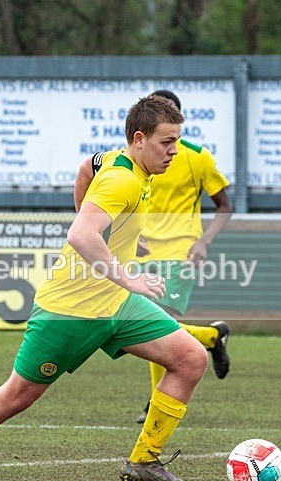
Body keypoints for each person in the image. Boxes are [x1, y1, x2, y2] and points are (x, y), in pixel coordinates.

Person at [0, 95, 208, 481]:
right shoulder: (122, 179)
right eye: (166, 142)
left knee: (191, 358)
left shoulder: (116, 161)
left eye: (177, 140)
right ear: (139, 139)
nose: (174, 151)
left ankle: (145, 460)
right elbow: (80, 234)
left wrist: (110, 241)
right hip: (69, 311)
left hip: (115, 306)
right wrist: (128, 277)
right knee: (15, 396)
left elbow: (86, 170)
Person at [74, 90, 234, 424]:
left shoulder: (197, 157)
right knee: (155, 326)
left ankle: (154, 404)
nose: (169, 148)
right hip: (139, 254)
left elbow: (224, 204)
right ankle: (211, 336)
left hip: (180, 252)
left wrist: (204, 241)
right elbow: (87, 171)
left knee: (156, 322)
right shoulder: (127, 157)